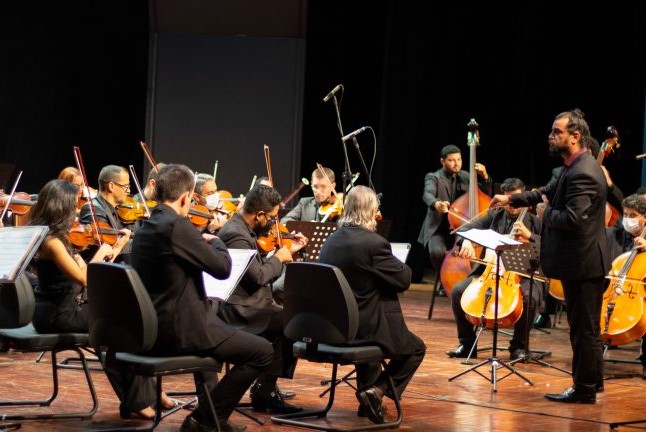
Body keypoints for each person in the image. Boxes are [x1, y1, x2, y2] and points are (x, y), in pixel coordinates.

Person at [131, 164, 274, 432]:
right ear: (186, 197)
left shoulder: (145, 227)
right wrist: (215, 240)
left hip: (151, 328)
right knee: (262, 352)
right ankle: (206, 418)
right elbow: (222, 268)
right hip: (182, 330)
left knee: (224, 329)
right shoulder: (177, 226)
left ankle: (211, 416)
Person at [490, 108, 610, 403]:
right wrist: (511, 199)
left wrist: (545, 214)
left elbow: (573, 219)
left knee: (584, 330)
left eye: (557, 132)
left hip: (583, 263)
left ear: (575, 136)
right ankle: (592, 382)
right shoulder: (573, 166)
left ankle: (584, 389)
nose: (551, 136)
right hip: (580, 262)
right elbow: (544, 192)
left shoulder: (583, 173)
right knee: (586, 328)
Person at [27, 179, 168, 419]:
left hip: (57, 308)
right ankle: (139, 399)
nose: (76, 211)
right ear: (61, 207)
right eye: (74, 205)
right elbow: (84, 278)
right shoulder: (52, 242)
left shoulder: (54, 237)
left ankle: (147, 394)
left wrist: (117, 246)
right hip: (59, 313)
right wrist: (100, 253)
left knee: (122, 324)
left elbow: (84, 270)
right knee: (123, 325)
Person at [319, 185, 426, 425]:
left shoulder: (331, 240)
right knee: (416, 349)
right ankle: (376, 392)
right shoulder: (374, 244)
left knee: (371, 328)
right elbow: (403, 279)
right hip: (362, 329)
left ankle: (367, 401)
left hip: (333, 326)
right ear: (369, 211)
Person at [217, 184, 307, 414]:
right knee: (293, 322)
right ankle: (265, 390)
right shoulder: (236, 235)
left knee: (288, 319)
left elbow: (256, 270)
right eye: (271, 217)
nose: (273, 223)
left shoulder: (243, 229)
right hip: (239, 310)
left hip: (251, 302)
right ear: (258, 215)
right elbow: (257, 277)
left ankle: (265, 388)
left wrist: (286, 252)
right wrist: (279, 258)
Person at [446, 178, 544, 360]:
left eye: (516, 200)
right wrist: (466, 240)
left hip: (524, 275)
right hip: (490, 273)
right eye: (509, 201)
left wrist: (530, 236)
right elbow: (467, 229)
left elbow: (550, 245)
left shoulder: (535, 222)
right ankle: (467, 344)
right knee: (458, 291)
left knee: (530, 297)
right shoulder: (494, 217)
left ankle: (519, 346)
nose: (512, 205)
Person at [417, 145, 492, 294]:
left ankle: (468, 280)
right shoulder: (433, 177)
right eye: (451, 160)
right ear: (442, 161)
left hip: (461, 227)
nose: (456, 163)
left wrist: (485, 176)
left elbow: (484, 193)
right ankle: (443, 279)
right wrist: (436, 203)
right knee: (436, 252)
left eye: (459, 159)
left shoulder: (466, 176)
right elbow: (427, 194)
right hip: (438, 228)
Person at [604, 193, 646, 380]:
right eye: (626, 214)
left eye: (633, 215)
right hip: (615, 290)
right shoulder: (613, 235)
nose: (628, 219)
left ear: (644, 218)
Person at [78, 165, 133, 257]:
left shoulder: (116, 209)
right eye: (126, 186)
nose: (129, 191)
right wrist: (142, 243)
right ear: (111, 186)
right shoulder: (93, 209)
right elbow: (108, 246)